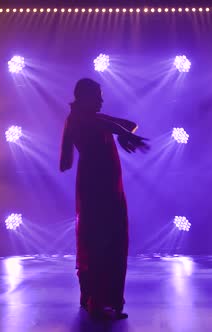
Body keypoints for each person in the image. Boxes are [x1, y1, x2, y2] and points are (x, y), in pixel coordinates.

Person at [59, 78, 149, 320]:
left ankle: (95, 299)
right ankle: (97, 302)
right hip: (97, 188)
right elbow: (110, 126)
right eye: (97, 95)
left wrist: (120, 133)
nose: (101, 100)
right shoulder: (79, 119)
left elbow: (130, 125)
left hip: (106, 187)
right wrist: (120, 133)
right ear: (84, 97)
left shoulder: (92, 119)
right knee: (100, 242)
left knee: (106, 241)